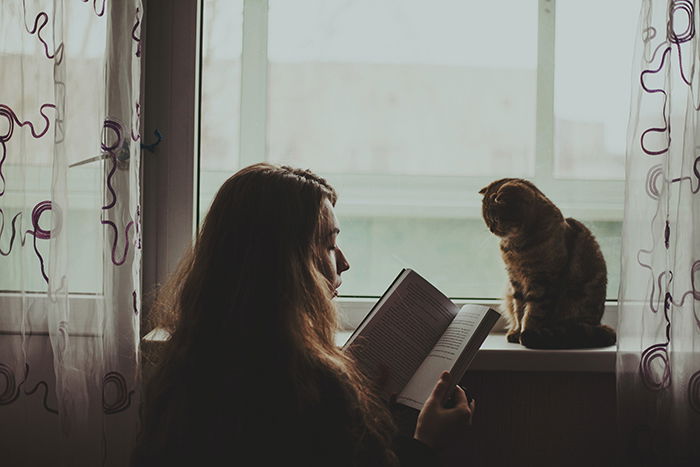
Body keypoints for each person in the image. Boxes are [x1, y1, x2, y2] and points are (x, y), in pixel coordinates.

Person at [131, 163, 475, 467]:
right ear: (287, 264)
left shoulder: (187, 365)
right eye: (328, 244)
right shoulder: (309, 383)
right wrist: (427, 443)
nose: (343, 262)